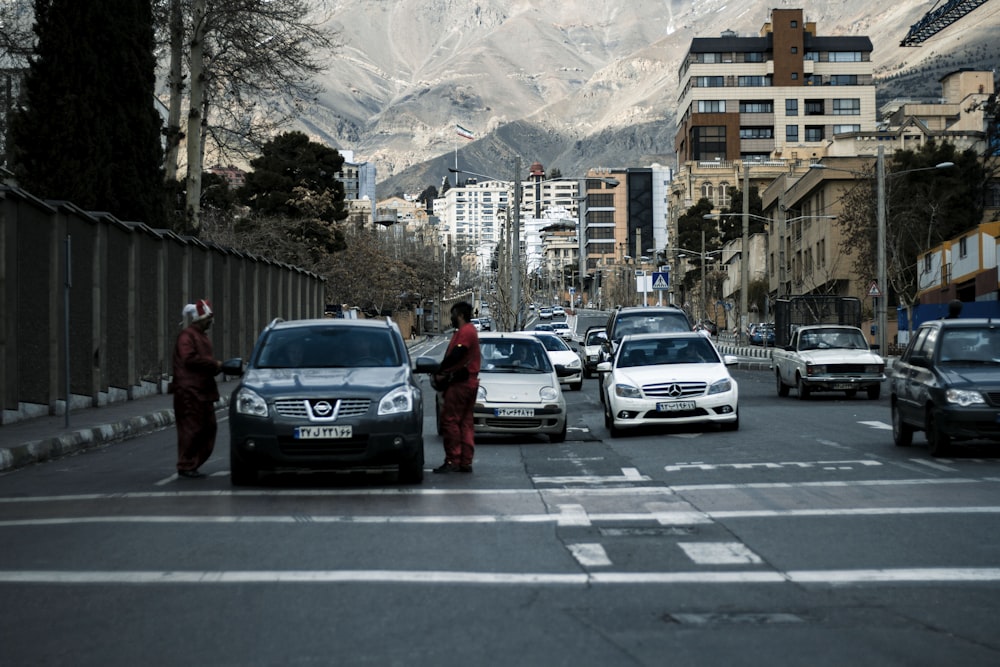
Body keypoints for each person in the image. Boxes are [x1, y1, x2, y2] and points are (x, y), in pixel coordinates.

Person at [171, 299, 222, 479]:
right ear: (200, 318)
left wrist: (215, 367)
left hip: (202, 390)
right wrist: (214, 364)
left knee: (208, 428)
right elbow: (189, 359)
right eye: (209, 318)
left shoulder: (200, 335)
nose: (211, 321)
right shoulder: (187, 336)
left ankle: (193, 463)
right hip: (189, 391)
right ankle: (186, 465)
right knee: (191, 429)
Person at [434, 301, 481, 474]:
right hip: (469, 382)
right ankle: (465, 460)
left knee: (451, 420)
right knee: (465, 421)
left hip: (461, 383)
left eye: (453, 315)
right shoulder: (468, 331)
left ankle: (453, 459)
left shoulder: (465, 331)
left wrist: (440, 369)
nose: (451, 318)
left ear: (460, 315)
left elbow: (457, 354)